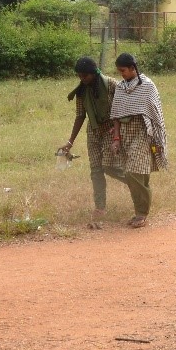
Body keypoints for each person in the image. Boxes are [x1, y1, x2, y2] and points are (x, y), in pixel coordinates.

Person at [107, 52, 168, 228]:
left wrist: (155, 136)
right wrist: (116, 137)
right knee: (136, 172)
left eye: (123, 71)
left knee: (133, 171)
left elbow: (154, 112)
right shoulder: (120, 87)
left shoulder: (147, 86)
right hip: (125, 132)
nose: (121, 74)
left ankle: (142, 212)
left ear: (133, 68)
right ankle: (139, 210)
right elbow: (116, 114)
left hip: (143, 131)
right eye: (119, 71)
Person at [59, 56, 121, 226]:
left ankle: (135, 184)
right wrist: (70, 141)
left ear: (94, 73)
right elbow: (80, 116)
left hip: (111, 129)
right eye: (79, 76)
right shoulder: (81, 92)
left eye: (85, 76)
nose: (82, 79)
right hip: (93, 132)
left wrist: (117, 132)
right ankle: (100, 207)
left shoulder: (112, 85)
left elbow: (122, 109)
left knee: (110, 167)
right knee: (96, 170)